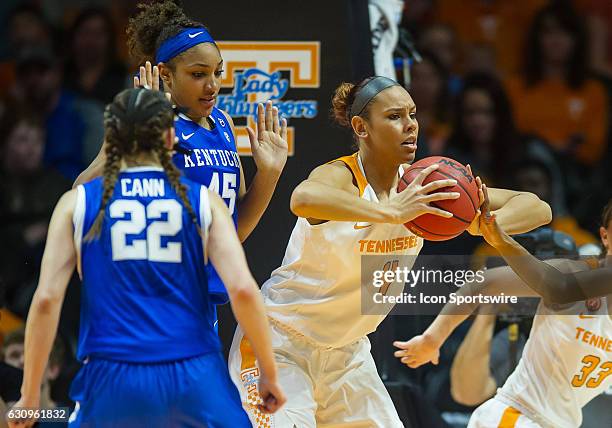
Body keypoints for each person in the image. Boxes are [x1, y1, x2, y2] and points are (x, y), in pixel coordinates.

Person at [228, 76, 552, 427]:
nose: (410, 125)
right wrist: (392, 211)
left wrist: (487, 224)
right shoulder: (342, 175)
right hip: (279, 343)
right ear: (361, 127)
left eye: (412, 114)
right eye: (395, 116)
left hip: (347, 353)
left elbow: (537, 207)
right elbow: (302, 199)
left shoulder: (427, 183)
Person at [7, 88, 285, 428]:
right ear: (170, 138)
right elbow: (243, 290)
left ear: (111, 140)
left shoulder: (77, 203)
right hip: (194, 373)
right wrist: (269, 375)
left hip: (112, 374)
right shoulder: (203, 201)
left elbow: (48, 299)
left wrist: (31, 395)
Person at [74, 0, 288, 307]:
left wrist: (269, 174)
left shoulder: (223, 124)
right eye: (198, 74)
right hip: (153, 295)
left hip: (203, 299)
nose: (213, 85)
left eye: (217, 72)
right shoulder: (147, 120)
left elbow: (234, 231)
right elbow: (81, 192)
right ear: (166, 75)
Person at [394, 191, 612, 428]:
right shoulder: (577, 274)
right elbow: (484, 283)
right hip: (518, 415)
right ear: (605, 236)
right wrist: (432, 338)